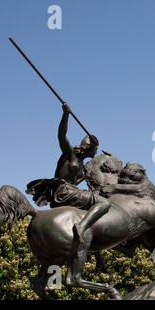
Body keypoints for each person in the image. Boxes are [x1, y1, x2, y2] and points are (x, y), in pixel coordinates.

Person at [27, 103, 110, 244]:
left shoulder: (83, 165)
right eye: (95, 148)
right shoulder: (70, 153)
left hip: (72, 191)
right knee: (103, 203)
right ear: (89, 147)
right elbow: (61, 135)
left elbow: (75, 182)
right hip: (64, 191)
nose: (96, 152)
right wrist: (65, 115)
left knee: (94, 211)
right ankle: (82, 227)